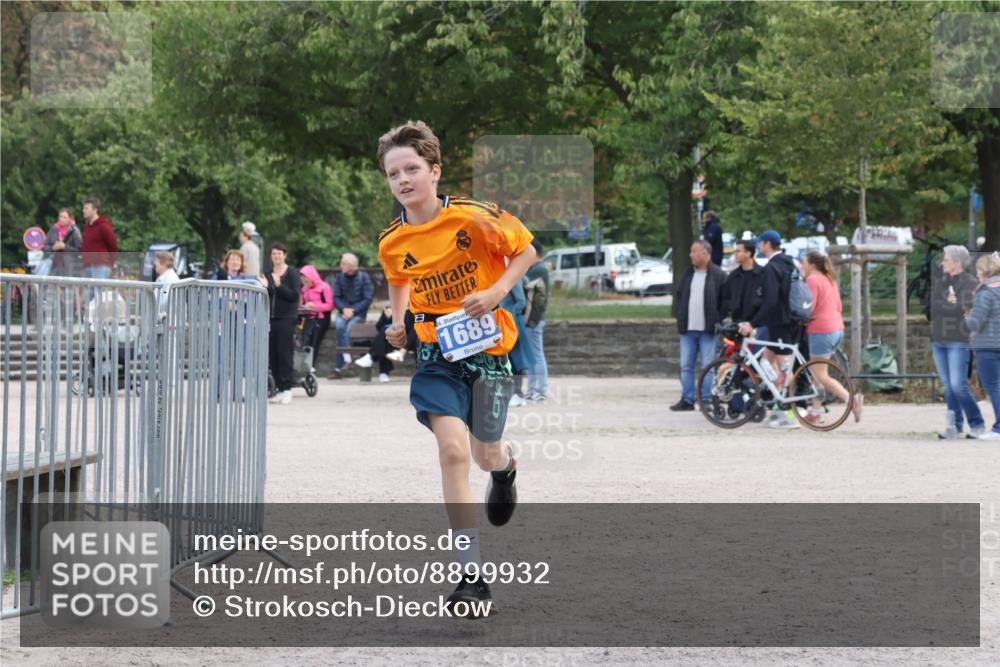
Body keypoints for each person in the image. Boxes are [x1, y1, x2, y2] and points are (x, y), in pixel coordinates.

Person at [375, 120, 536, 616]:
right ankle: (471, 577)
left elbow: (526, 251)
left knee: (485, 454)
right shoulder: (390, 242)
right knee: (451, 451)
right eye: (392, 173)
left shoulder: (476, 218)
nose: (402, 179)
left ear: (434, 170)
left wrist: (494, 292)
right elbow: (400, 278)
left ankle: (506, 470)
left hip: (488, 353)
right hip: (436, 357)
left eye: (412, 169)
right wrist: (399, 322)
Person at [738, 230, 798, 429]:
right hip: (786, 321)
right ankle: (777, 410)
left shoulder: (772, 267)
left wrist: (753, 323)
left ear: (767, 244)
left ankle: (790, 414)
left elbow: (770, 301)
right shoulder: (788, 262)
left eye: (760, 244)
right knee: (765, 363)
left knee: (783, 369)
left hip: (780, 322)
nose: (758, 247)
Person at [802, 251, 862, 424]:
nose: (803, 266)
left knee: (820, 375)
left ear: (812, 265)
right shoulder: (830, 279)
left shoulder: (812, 280)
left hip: (820, 329)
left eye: (804, 262)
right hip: (836, 327)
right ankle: (815, 410)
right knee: (817, 371)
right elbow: (838, 305)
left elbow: (809, 306)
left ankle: (851, 399)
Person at [930, 245, 983, 439]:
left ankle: (977, 423)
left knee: (957, 385)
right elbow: (932, 307)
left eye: (945, 259)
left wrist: (952, 306)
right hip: (938, 339)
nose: (942, 262)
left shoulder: (970, 282)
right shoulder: (941, 281)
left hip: (958, 339)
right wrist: (949, 304)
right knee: (948, 386)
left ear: (957, 262)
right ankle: (955, 426)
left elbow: (963, 309)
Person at [671, 240, 725, 411]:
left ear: (705, 253)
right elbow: (679, 296)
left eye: (694, 251)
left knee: (708, 366)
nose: (690, 255)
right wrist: (679, 315)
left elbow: (725, 301)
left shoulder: (718, 275)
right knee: (686, 365)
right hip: (688, 329)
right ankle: (687, 399)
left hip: (708, 330)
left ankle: (706, 399)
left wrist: (717, 318)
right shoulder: (687, 274)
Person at [258, 242, 301, 405]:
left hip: (287, 318)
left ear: (285, 255)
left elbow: (293, 296)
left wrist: (278, 285)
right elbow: (268, 296)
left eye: (279, 253)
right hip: (271, 318)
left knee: (284, 354)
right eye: (273, 254)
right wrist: (266, 287)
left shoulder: (292, 273)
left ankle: (287, 389)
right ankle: (279, 389)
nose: (276, 256)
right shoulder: (268, 273)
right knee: (273, 354)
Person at [964, 253, 1000, 440]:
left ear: (985, 271)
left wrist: (965, 320)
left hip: (989, 345)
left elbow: (975, 323)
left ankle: (999, 428)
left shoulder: (985, 293)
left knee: (993, 386)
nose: (977, 274)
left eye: (978, 270)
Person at [328, 253, 374, 379]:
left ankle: (340, 366)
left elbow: (368, 298)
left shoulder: (364, 277)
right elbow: (336, 297)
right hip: (344, 312)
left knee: (349, 330)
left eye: (343, 263)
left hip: (358, 313)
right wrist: (344, 309)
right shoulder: (340, 277)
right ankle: (348, 360)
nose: (340, 265)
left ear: (351, 266)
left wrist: (353, 311)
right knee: (339, 326)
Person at [500, 276, 535, 407]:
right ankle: (514, 393)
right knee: (511, 360)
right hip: (508, 322)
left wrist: (509, 317)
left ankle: (518, 393)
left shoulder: (513, 277)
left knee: (516, 360)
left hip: (512, 323)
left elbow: (521, 302)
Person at [523, 239, 550, 402]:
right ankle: (534, 389)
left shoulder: (538, 269)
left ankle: (540, 389)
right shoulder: (539, 268)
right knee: (533, 355)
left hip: (534, 319)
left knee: (536, 355)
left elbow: (520, 279)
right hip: (533, 319)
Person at [354, 305, 411, 382]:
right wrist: (386, 316)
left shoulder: (409, 311)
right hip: (387, 340)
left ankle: (371, 356)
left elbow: (408, 328)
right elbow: (378, 326)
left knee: (384, 334)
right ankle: (383, 373)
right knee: (384, 338)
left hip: (402, 340)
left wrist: (393, 317)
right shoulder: (390, 309)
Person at [721, 239, 763, 326]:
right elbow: (726, 297)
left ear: (748, 253)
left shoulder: (763, 274)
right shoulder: (733, 276)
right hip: (737, 323)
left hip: (757, 324)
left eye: (738, 251)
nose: (735, 254)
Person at [298, 264, 334, 357]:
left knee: (315, 340)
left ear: (312, 277)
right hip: (307, 317)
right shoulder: (304, 289)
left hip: (321, 318)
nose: (304, 282)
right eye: (302, 279)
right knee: (304, 339)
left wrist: (314, 306)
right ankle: (305, 364)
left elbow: (330, 305)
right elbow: (301, 304)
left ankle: (312, 366)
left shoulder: (324, 287)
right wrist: (303, 307)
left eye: (306, 279)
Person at [80, 197, 118, 281]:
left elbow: (113, 246)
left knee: (99, 293)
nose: (83, 210)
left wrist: (111, 263)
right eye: (83, 208)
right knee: (89, 294)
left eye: (86, 208)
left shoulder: (104, 226)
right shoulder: (86, 227)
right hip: (87, 265)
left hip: (100, 266)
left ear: (95, 210)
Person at [42, 208, 83, 276]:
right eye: (60, 216)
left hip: (70, 267)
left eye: (64, 217)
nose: (61, 219)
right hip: (54, 266)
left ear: (70, 219)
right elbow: (44, 248)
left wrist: (64, 247)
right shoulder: (53, 229)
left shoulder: (74, 231)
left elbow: (79, 251)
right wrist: (53, 248)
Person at [154, 251, 181, 320]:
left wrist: (156, 316)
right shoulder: (168, 277)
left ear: (163, 264)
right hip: (168, 320)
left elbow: (165, 299)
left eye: (157, 261)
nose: (155, 264)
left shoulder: (169, 279)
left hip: (167, 322)